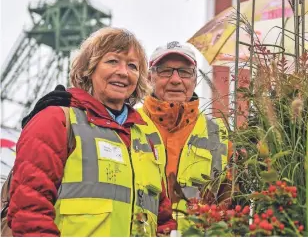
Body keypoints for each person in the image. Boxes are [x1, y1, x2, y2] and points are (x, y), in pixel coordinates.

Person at [7, 27, 176, 236]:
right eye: (112, 61)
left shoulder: (145, 136)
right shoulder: (56, 121)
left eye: (132, 66)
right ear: (89, 68)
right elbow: (29, 210)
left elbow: (162, 217)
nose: (123, 72)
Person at [137, 41, 232, 231]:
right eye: (165, 71)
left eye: (185, 72)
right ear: (149, 77)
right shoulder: (128, 124)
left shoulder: (220, 134)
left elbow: (230, 206)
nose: (175, 79)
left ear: (195, 79)